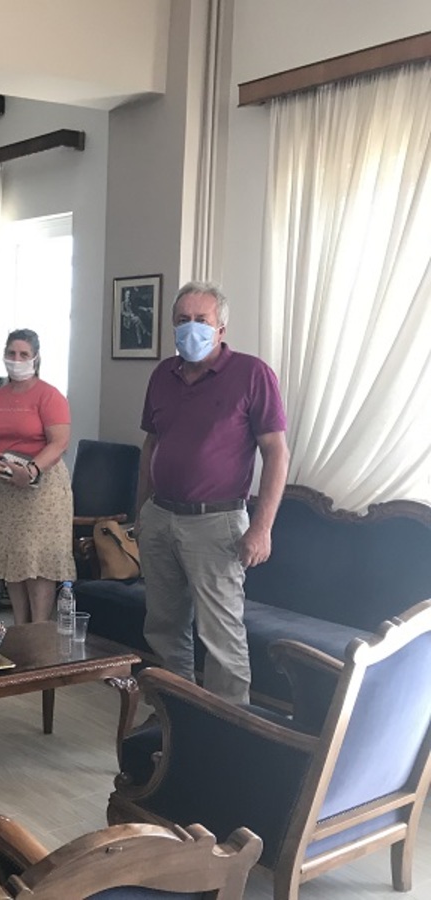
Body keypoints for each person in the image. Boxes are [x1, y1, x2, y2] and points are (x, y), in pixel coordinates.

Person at [136, 281, 289, 705]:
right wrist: (141, 512)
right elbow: (151, 444)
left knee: (221, 636)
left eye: (201, 320)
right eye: (182, 320)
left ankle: (228, 726)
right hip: (160, 517)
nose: (191, 328)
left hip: (217, 522)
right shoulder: (162, 375)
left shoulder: (252, 374)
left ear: (220, 327)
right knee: (164, 627)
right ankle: (174, 713)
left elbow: (276, 452)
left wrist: (262, 528)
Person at [0, 329, 75, 624]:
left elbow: (59, 442)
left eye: (23, 354)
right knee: (13, 560)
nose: (16, 359)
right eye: (11, 353)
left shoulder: (49, 395)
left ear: (35, 358)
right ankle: (20, 629)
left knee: (36, 561)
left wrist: (31, 470)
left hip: (40, 489)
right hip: (3, 488)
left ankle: (40, 631)